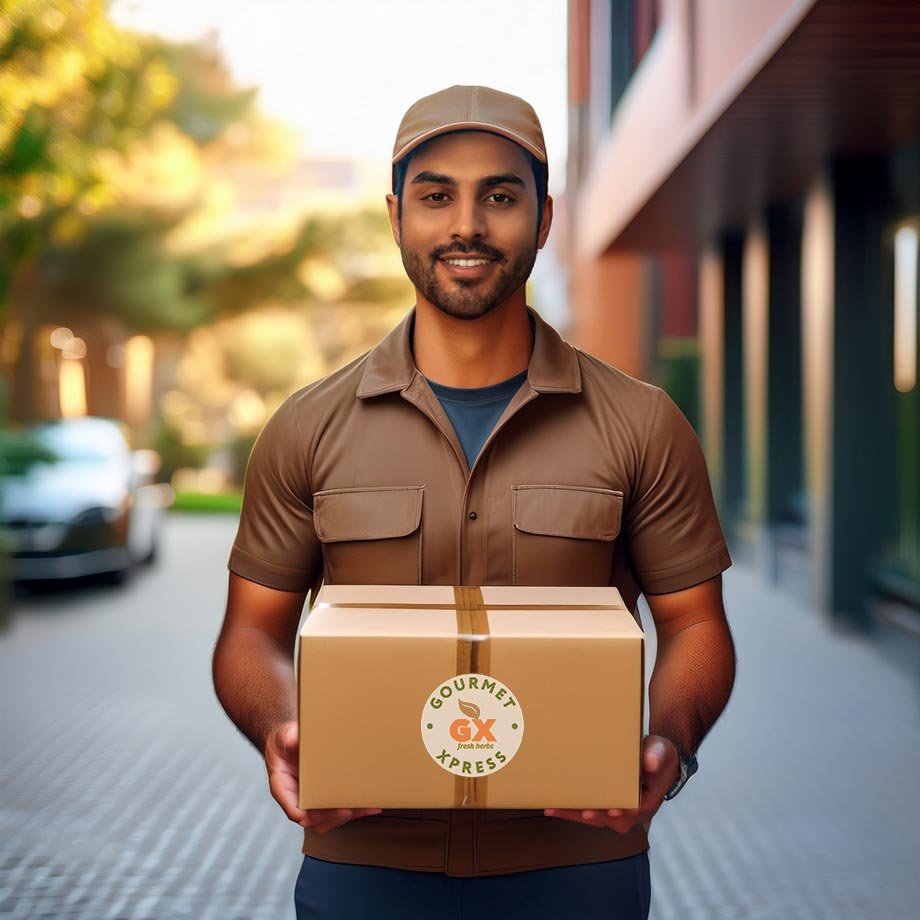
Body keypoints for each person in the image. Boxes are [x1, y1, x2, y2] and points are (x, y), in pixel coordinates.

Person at [213, 85, 736, 920]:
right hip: (365, 867)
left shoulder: (642, 423)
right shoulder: (306, 427)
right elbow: (252, 631)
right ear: (394, 216)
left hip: (580, 868)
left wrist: (670, 744)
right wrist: (281, 729)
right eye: (435, 196)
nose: (467, 225)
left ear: (544, 216)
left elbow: (695, 625)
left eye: (499, 195)